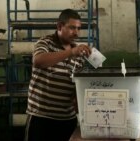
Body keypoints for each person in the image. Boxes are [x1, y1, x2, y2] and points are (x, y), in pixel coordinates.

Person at [24, 9, 91, 141]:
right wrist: (71, 52)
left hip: (67, 120)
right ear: (59, 26)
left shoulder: (79, 54)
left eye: (78, 28)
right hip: (41, 118)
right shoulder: (45, 43)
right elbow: (38, 61)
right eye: (72, 28)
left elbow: (77, 88)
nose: (76, 32)